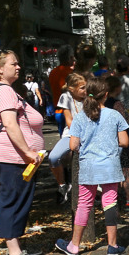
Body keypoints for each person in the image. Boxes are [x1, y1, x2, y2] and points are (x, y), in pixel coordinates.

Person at [0, 50, 45, 255]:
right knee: (12, 202)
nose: (18, 67)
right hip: (11, 157)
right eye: (13, 64)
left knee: (16, 200)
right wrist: (28, 152)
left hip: (9, 157)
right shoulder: (4, 91)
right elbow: (9, 124)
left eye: (18, 64)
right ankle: (15, 254)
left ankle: (15, 247)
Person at [55, 77, 129, 255]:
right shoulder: (114, 115)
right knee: (109, 202)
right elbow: (125, 141)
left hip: (88, 166)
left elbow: (73, 145)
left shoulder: (81, 116)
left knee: (84, 204)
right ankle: (112, 245)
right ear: (106, 95)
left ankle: (74, 245)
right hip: (110, 165)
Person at [49, 72, 87, 202]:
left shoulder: (89, 98)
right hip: (71, 133)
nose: (85, 90)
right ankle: (62, 185)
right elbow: (69, 121)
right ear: (72, 89)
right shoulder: (66, 97)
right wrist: (78, 136)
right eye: (82, 88)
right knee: (53, 157)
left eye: (85, 87)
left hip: (89, 135)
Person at [104, 76, 129, 208]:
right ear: (117, 88)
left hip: (109, 143)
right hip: (122, 141)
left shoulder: (102, 104)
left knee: (113, 173)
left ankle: (112, 201)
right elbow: (125, 122)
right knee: (126, 172)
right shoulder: (118, 105)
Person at [48, 44, 75, 135]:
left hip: (58, 111)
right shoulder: (73, 74)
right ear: (70, 57)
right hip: (71, 111)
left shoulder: (53, 72)